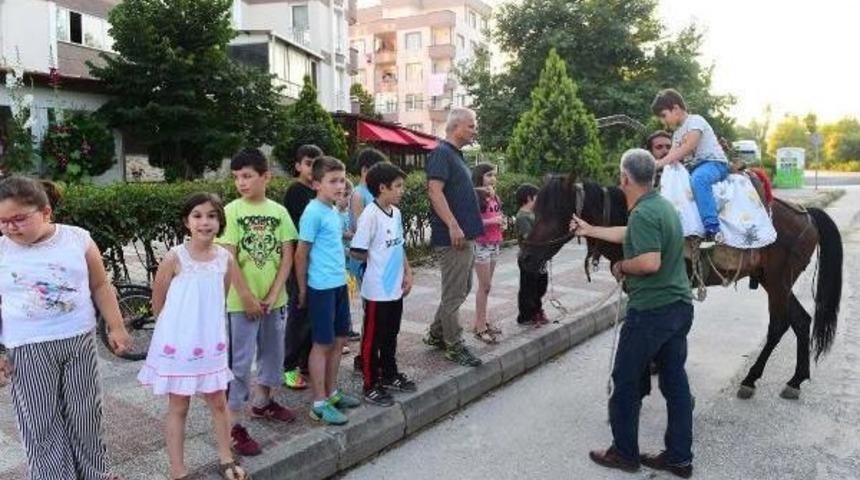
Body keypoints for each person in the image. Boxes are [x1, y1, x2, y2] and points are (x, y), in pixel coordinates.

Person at [571, 149, 694, 478]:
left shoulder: (642, 214)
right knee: (675, 383)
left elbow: (649, 261)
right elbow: (630, 233)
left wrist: (621, 265)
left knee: (625, 382)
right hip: (679, 308)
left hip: (652, 313)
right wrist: (591, 230)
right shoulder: (662, 207)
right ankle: (679, 458)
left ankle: (625, 454)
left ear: (624, 178)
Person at [0, 176, 132, 480]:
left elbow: (100, 285)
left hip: (78, 342)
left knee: (85, 414)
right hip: (27, 348)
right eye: (3, 221)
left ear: (46, 212)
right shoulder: (2, 250)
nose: (10, 227)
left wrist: (116, 326)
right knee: (41, 423)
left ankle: (95, 474)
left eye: (19, 218)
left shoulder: (78, 239)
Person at [138, 193, 247, 480]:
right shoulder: (176, 257)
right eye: (197, 215)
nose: (205, 221)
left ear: (220, 221)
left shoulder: (225, 258)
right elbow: (158, 298)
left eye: (212, 215)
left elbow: (220, 297)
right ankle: (177, 470)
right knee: (179, 405)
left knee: (218, 401)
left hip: (211, 342)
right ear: (187, 221)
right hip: (180, 344)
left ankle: (226, 457)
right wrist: (172, 330)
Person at [218, 148, 298, 456]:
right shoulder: (231, 211)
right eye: (237, 177)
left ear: (266, 176)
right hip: (241, 304)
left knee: (273, 354)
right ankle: (234, 422)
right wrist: (249, 297)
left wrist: (274, 292)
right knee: (240, 363)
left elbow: (287, 255)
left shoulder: (278, 211)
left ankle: (263, 402)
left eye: (247, 176)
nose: (241, 182)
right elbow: (228, 256)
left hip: (274, 301)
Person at [295, 156, 362, 426]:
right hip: (320, 287)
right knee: (322, 344)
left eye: (342, 180)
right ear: (316, 184)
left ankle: (332, 393)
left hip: (338, 284)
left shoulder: (333, 210)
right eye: (332, 181)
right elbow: (302, 254)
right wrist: (302, 289)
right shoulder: (312, 212)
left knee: (339, 340)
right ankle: (319, 403)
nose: (340, 186)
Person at [350, 163, 416, 407]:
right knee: (372, 338)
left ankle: (389, 374)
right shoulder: (370, 215)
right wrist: (377, 261)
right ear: (382, 187)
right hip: (377, 290)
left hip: (395, 288)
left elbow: (399, 245)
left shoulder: (395, 213)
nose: (402, 191)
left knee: (391, 334)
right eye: (397, 186)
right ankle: (370, 384)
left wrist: (407, 272)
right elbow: (357, 251)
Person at [424, 107, 484, 367]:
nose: (474, 130)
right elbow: (435, 192)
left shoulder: (455, 155)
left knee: (462, 288)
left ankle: (438, 333)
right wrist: (452, 225)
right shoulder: (441, 153)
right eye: (471, 125)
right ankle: (454, 345)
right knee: (454, 293)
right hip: (454, 238)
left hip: (465, 235)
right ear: (456, 126)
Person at [651, 88, 729, 248]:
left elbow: (687, 147)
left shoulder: (695, 121)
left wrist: (660, 163)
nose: (663, 122)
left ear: (676, 109)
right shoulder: (677, 133)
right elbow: (671, 156)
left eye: (664, 116)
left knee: (699, 180)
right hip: (695, 168)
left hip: (713, 163)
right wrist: (656, 165)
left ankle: (713, 229)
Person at [282, 144, 323, 391]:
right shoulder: (296, 192)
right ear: (297, 166)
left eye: (316, 163)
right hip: (301, 261)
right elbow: (300, 232)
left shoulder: (319, 191)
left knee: (312, 315)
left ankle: (307, 361)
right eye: (308, 163)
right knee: (298, 314)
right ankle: (289, 366)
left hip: (318, 264)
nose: (311, 168)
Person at [347, 148, 387, 342]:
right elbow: (358, 226)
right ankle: (367, 347)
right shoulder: (358, 194)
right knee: (369, 305)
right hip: (365, 257)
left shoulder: (371, 192)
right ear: (365, 170)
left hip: (378, 255)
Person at [471, 162, 504, 343]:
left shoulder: (494, 196)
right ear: (480, 176)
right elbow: (472, 222)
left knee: (487, 286)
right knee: (484, 286)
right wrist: (493, 221)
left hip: (495, 243)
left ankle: (481, 322)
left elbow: (496, 216)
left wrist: (501, 222)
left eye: (494, 175)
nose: (493, 178)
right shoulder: (475, 196)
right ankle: (480, 327)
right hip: (481, 244)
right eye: (489, 175)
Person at [514, 183, 549, 326]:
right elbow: (530, 237)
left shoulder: (534, 214)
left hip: (540, 257)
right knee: (528, 288)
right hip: (529, 258)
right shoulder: (522, 216)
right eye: (537, 198)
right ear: (529, 198)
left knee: (541, 285)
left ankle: (537, 309)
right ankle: (526, 315)